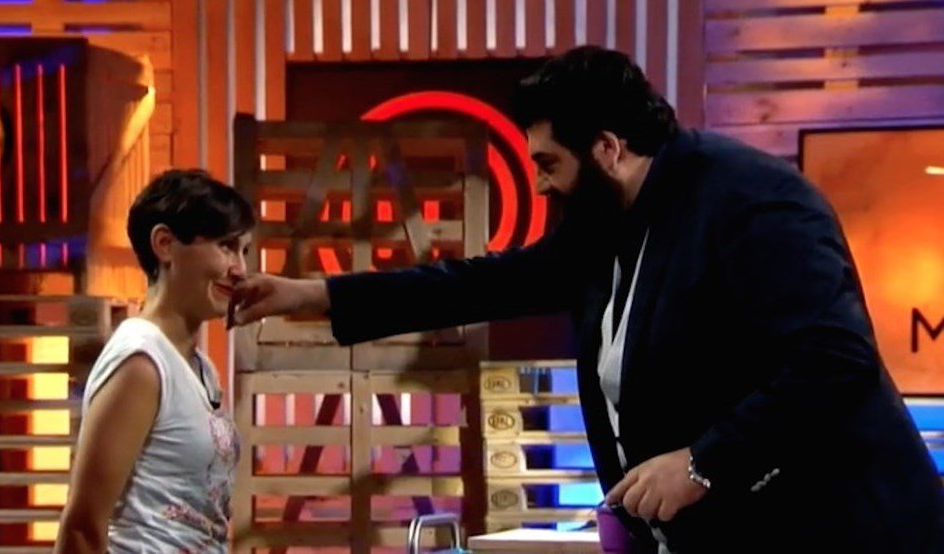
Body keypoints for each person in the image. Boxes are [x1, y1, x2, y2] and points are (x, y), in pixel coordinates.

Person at [229, 47, 944, 553]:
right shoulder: (610, 223)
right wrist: (309, 292)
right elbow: (483, 282)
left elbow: (834, 357)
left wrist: (702, 462)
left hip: (843, 532)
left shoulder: (753, 202)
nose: (539, 184)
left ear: (607, 147)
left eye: (549, 164)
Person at [55, 170, 253, 553]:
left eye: (244, 250)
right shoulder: (142, 363)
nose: (240, 269)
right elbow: (81, 526)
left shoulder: (200, 368)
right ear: (165, 244)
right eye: (226, 246)